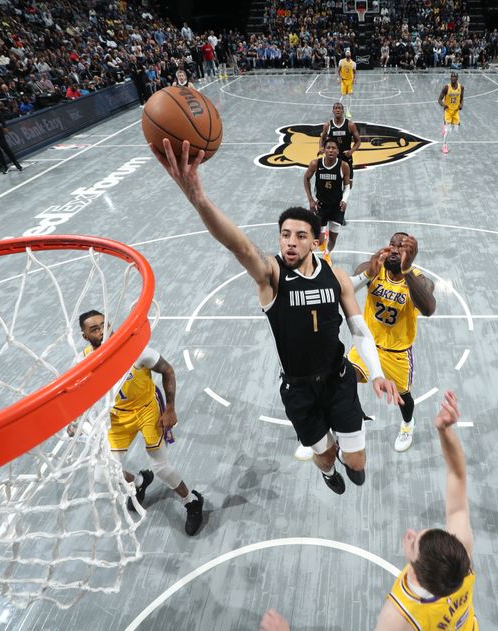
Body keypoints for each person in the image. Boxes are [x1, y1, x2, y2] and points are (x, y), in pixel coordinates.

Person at [152, 138, 402, 495]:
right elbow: (238, 245)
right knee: (326, 456)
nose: (290, 242)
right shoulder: (271, 275)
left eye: (300, 236)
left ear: (316, 242)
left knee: (357, 465)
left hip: (338, 379)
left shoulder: (337, 277)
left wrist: (376, 374)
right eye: (285, 234)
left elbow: (359, 329)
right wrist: (198, 199)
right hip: (299, 389)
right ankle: (327, 471)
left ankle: (346, 462)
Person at [259, 391, 478, 631]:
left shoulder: (398, 618)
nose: (409, 533)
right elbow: (457, 477)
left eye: (413, 543)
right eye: (420, 533)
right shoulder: (460, 559)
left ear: (417, 571)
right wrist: (445, 431)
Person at [69, 310, 204, 535]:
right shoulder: (82, 361)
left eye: (105, 325)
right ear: (85, 336)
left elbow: (168, 370)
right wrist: (74, 420)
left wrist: (170, 408)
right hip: (117, 417)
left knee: (160, 466)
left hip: (147, 410)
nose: (102, 331)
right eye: (94, 329)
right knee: (103, 474)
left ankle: (191, 501)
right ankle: (140, 481)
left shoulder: (135, 350)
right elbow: (75, 393)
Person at [349, 234, 436, 452]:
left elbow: (428, 309)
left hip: (397, 353)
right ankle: (350, 421)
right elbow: (347, 290)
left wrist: (407, 271)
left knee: (403, 398)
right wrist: (369, 269)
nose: (396, 250)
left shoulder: (419, 280)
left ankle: (408, 424)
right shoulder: (373, 270)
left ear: (411, 255)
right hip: (367, 345)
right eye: (393, 245)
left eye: (403, 247)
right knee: (343, 378)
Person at [303, 137, 351, 263]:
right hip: (321, 206)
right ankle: (317, 257)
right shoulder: (315, 164)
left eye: (333, 148)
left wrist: (345, 200)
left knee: (333, 238)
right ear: (323, 150)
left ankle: (326, 254)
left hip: (337, 207)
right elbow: (306, 178)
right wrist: (311, 200)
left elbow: (347, 186)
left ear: (337, 151)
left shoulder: (344, 166)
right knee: (320, 237)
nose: (330, 150)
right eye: (328, 147)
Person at [319, 102, 361, 189]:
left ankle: (344, 200)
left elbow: (358, 141)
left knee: (348, 185)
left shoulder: (350, 125)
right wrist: (321, 147)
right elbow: (322, 138)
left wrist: (351, 151)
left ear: (343, 111)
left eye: (339, 108)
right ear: (333, 111)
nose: (337, 110)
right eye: (335, 108)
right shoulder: (328, 125)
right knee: (333, 185)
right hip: (333, 159)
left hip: (346, 158)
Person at [438, 71, 464, 154]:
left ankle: (444, 126)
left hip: (456, 111)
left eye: (455, 76)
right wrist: (443, 105)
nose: (453, 78)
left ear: (457, 78)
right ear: (450, 78)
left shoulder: (461, 87)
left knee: (456, 129)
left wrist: (461, 105)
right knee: (448, 130)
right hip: (448, 111)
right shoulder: (446, 87)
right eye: (452, 76)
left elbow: (462, 98)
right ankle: (444, 146)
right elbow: (439, 100)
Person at [338, 48, 357, 117]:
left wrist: (355, 79)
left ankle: (348, 111)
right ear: (345, 54)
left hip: (350, 81)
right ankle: (339, 110)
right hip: (343, 80)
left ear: (350, 54)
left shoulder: (353, 63)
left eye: (349, 52)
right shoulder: (341, 61)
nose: (348, 53)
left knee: (349, 97)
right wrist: (338, 77)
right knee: (343, 96)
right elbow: (338, 70)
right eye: (347, 53)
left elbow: (354, 72)